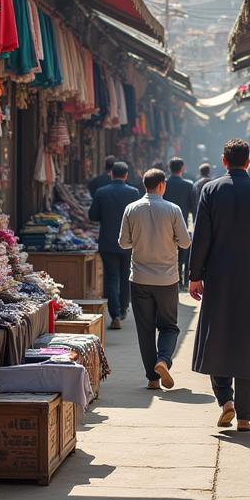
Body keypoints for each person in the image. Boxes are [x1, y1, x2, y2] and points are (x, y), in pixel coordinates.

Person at [189, 139, 250, 432]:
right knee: (249, 339)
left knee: (217, 334)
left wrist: (194, 274)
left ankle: (224, 400)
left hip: (218, 275)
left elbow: (201, 235)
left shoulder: (211, 190)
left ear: (224, 160)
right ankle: (244, 416)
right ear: (249, 161)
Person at [118, 168, 191, 390]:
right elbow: (185, 243)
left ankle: (152, 378)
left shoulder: (131, 209)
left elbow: (123, 243)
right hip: (167, 278)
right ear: (162, 185)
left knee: (145, 329)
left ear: (144, 185)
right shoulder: (173, 209)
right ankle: (163, 360)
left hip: (139, 277)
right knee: (169, 326)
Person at [88, 161, 139, 329]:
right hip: (129, 242)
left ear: (111, 174)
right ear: (126, 175)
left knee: (111, 277)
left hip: (108, 242)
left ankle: (114, 314)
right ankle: (124, 309)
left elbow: (93, 215)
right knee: (125, 275)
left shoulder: (101, 192)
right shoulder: (133, 192)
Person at [162, 157, 194, 289]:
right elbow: (192, 206)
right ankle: (181, 280)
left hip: (164, 224)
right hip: (182, 223)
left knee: (167, 252)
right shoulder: (188, 185)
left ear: (169, 168)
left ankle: (170, 279)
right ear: (182, 169)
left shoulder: (163, 184)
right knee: (183, 252)